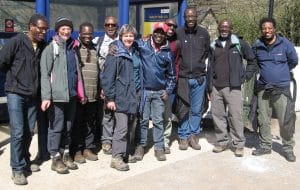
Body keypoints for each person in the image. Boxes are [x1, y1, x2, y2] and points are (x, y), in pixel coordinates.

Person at [0, 13, 48, 185]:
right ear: (31, 26)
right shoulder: (17, 41)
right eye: (40, 28)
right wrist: (16, 77)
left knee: (28, 132)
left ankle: (25, 161)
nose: (43, 31)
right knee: (18, 131)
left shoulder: (43, 45)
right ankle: (17, 169)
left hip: (33, 95)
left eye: (45, 29)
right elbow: (2, 62)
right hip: (15, 93)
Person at [40, 17, 85, 174]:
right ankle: (55, 157)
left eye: (68, 29)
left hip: (71, 96)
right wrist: (46, 97)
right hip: (57, 97)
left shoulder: (73, 48)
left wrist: (81, 93)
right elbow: (45, 75)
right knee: (56, 128)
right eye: (63, 29)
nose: (66, 31)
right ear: (58, 30)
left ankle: (66, 153)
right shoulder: (51, 48)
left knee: (68, 127)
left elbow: (77, 73)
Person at [207, 19, 256, 157]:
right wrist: (209, 87)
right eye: (222, 27)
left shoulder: (239, 43)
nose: (224, 29)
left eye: (227, 27)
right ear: (218, 28)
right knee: (218, 116)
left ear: (231, 28)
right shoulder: (213, 44)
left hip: (233, 87)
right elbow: (210, 67)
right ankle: (222, 141)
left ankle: (239, 144)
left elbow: (252, 60)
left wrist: (245, 76)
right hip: (216, 87)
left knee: (235, 116)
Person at [251, 17, 298, 162]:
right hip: (263, 89)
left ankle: (288, 148)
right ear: (261, 30)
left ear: (274, 29)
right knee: (263, 119)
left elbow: (294, 60)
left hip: (281, 89)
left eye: (269, 28)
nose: (267, 31)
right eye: (264, 28)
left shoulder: (285, 43)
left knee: (285, 120)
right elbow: (254, 62)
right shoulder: (257, 45)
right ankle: (265, 146)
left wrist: (281, 73)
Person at [133, 22, 176, 161]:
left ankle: (159, 147)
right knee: (143, 120)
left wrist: (168, 90)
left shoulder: (168, 52)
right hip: (145, 92)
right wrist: (113, 46)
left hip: (159, 93)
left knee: (158, 121)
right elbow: (126, 41)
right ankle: (141, 145)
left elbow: (172, 75)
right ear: (152, 33)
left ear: (165, 35)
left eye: (162, 33)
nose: (159, 35)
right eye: (157, 32)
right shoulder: (142, 45)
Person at [101, 24, 140, 171]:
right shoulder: (115, 52)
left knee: (130, 127)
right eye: (126, 36)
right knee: (122, 128)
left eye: (131, 36)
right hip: (120, 96)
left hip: (133, 96)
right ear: (121, 36)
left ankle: (124, 154)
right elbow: (107, 77)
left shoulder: (135, 51)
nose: (129, 38)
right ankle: (116, 157)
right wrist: (110, 98)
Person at [176, 7, 210, 150]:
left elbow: (207, 52)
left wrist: (199, 66)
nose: (190, 19)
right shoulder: (178, 33)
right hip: (183, 77)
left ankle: (193, 135)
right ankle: (183, 136)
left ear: (197, 17)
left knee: (196, 109)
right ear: (184, 17)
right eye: (187, 16)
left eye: (193, 16)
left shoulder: (204, 33)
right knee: (183, 108)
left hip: (199, 78)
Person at [71, 22, 99, 164]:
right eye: (85, 33)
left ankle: (88, 148)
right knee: (77, 123)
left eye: (90, 33)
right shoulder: (74, 48)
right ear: (80, 34)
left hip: (93, 94)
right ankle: (76, 150)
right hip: (79, 96)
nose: (88, 36)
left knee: (90, 123)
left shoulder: (95, 49)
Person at [96, 16, 119, 155]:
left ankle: (117, 139)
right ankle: (106, 141)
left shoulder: (122, 40)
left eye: (113, 25)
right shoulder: (97, 42)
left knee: (120, 113)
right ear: (104, 26)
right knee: (107, 114)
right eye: (108, 24)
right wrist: (102, 86)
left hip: (120, 83)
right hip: (104, 84)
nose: (110, 27)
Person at [163, 18, 179, 154]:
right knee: (146, 117)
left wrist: (174, 81)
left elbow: (178, 62)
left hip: (168, 86)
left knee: (167, 115)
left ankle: (165, 141)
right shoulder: (152, 38)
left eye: (174, 26)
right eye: (169, 25)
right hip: (152, 85)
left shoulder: (176, 43)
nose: (171, 28)